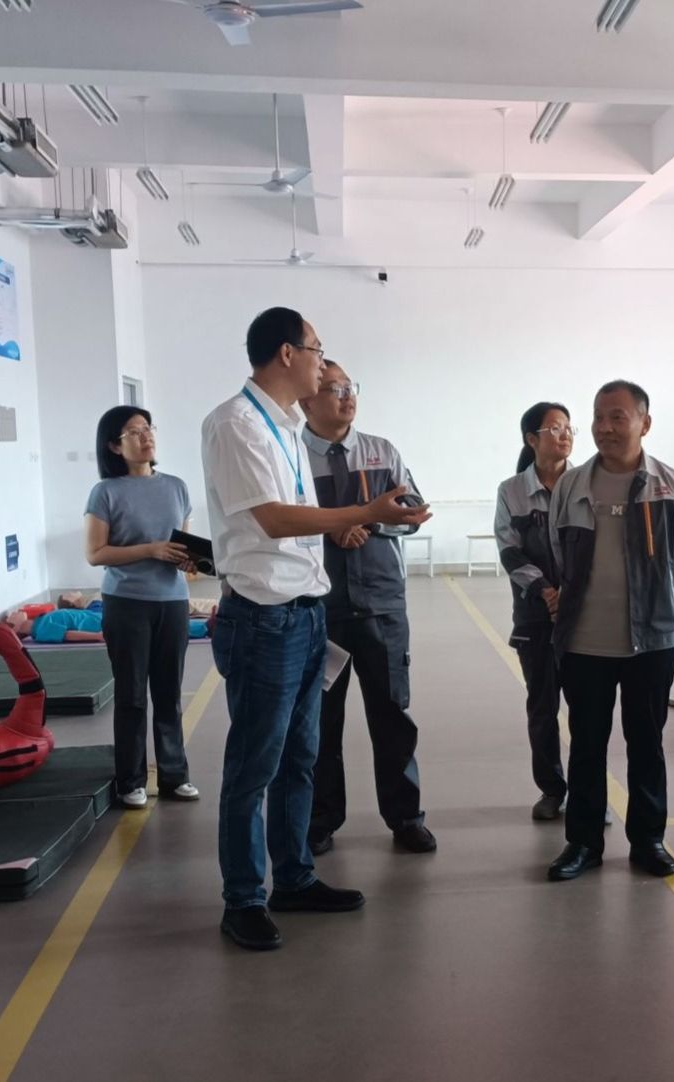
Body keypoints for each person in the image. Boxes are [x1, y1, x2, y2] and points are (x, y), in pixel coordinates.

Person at [203, 306, 431, 952]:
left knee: (300, 757)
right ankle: (243, 899)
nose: (323, 363)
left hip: (306, 613)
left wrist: (361, 519)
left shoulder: (284, 426)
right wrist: (360, 513)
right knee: (254, 766)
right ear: (286, 354)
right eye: (316, 350)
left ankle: (295, 877)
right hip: (264, 619)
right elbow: (275, 520)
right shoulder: (236, 424)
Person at [545, 380, 674, 882]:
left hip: (651, 643)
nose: (604, 427)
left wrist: (650, 603)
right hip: (584, 642)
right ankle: (583, 843)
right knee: (586, 744)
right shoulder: (572, 486)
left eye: (617, 417)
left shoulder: (670, 486)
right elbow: (558, 553)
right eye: (598, 417)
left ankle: (648, 840)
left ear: (644, 424)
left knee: (646, 743)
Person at [299, 362, 435, 856]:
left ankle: (406, 817)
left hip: (382, 605)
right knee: (320, 720)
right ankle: (320, 820)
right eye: (332, 389)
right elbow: (279, 524)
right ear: (306, 400)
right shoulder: (291, 456)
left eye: (349, 387)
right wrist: (330, 528)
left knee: (392, 714)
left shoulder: (382, 452)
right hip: (319, 609)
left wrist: (373, 523)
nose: (346, 396)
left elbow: (415, 513)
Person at [85, 406, 200, 811]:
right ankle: (131, 780)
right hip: (127, 603)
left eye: (148, 428)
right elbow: (96, 553)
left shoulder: (177, 487)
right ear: (115, 446)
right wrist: (150, 550)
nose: (146, 436)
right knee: (132, 695)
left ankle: (174, 775)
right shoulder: (106, 492)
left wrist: (189, 562)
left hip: (172, 602)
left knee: (169, 694)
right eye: (134, 432)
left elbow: (181, 547)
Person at [495, 402, 574, 821]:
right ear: (531, 439)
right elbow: (510, 550)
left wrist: (572, 594)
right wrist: (546, 591)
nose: (565, 435)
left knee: (588, 710)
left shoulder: (586, 484)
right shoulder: (511, 491)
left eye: (568, 427)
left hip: (584, 616)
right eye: (554, 428)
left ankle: (588, 793)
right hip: (534, 617)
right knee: (542, 708)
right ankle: (551, 789)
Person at [4, 607, 211, 645]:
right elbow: (68, 635)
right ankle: (205, 628)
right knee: (155, 627)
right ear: (15, 627)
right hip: (103, 625)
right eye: (11, 616)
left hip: (102, 617)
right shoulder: (41, 631)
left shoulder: (41, 621)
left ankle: (202, 625)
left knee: (153, 621)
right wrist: (97, 637)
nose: (15, 611)